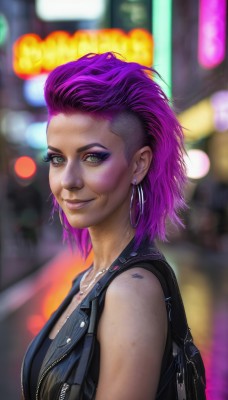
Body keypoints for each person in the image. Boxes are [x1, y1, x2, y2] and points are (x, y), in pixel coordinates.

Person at [21, 52, 187, 400]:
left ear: (139, 164)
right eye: (56, 158)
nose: (68, 181)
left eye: (92, 157)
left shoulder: (131, 293)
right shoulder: (90, 279)